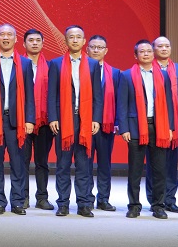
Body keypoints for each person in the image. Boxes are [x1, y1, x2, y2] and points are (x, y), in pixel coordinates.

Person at [0, 23, 35, 215]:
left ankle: (17, 201)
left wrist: (29, 120)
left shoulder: (25, 64)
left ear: (16, 39)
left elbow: (29, 95)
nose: (5, 37)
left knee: (18, 163)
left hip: (17, 121)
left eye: (9, 34)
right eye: (2, 34)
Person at [46, 25, 101, 217]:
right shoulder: (56, 64)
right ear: (65, 41)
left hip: (85, 120)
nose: (75, 40)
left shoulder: (93, 65)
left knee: (84, 164)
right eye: (71, 37)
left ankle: (84, 204)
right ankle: (63, 203)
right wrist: (53, 117)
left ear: (84, 41)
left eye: (78, 37)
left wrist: (96, 119)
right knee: (62, 164)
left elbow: (97, 96)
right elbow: (51, 94)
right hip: (64, 121)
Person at [117, 40, 174, 219]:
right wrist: (124, 128)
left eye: (149, 51)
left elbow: (169, 104)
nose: (147, 54)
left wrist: (170, 127)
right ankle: (134, 205)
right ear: (136, 55)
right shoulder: (127, 75)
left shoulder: (163, 76)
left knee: (159, 170)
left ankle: (158, 205)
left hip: (159, 128)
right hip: (135, 128)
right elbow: (122, 104)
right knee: (135, 170)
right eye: (142, 51)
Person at [148, 36, 178, 213]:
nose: (164, 49)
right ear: (153, 49)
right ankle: (155, 199)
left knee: (171, 163)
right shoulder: (148, 68)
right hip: (153, 122)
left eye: (167, 46)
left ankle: (170, 199)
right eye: (160, 46)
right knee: (154, 163)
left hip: (175, 121)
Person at [22, 28, 54, 210]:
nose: (34, 43)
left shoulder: (50, 67)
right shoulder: (18, 66)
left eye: (38, 40)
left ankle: (42, 197)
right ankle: (23, 197)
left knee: (42, 162)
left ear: (42, 43)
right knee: (22, 162)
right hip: (22, 122)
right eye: (31, 40)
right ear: (24, 43)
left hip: (44, 122)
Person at [87, 34, 119, 212]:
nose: (96, 50)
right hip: (85, 125)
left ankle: (103, 199)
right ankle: (87, 198)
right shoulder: (80, 71)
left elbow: (119, 100)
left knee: (105, 164)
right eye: (93, 47)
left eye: (100, 47)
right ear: (87, 49)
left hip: (106, 125)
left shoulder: (114, 73)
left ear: (106, 51)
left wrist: (118, 122)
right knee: (85, 164)